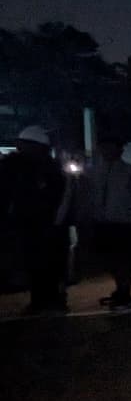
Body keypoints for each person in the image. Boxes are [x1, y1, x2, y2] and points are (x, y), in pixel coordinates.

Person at [0, 126, 70, 315]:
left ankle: (50, 299)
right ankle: (41, 300)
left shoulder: (47, 169)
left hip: (45, 225)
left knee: (48, 263)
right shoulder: (16, 166)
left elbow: (60, 198)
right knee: (36, 264)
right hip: (30, 224)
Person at [82, 135, 131, 309]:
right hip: (101, 222)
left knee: (125, 259)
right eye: (104, 147)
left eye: (111, 147)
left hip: (125, 223)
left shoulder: (130, 171)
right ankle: (119, 288)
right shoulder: (93, 172)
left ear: (120, 150)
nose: (107, 151)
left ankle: (125, 292)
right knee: (109, 259)